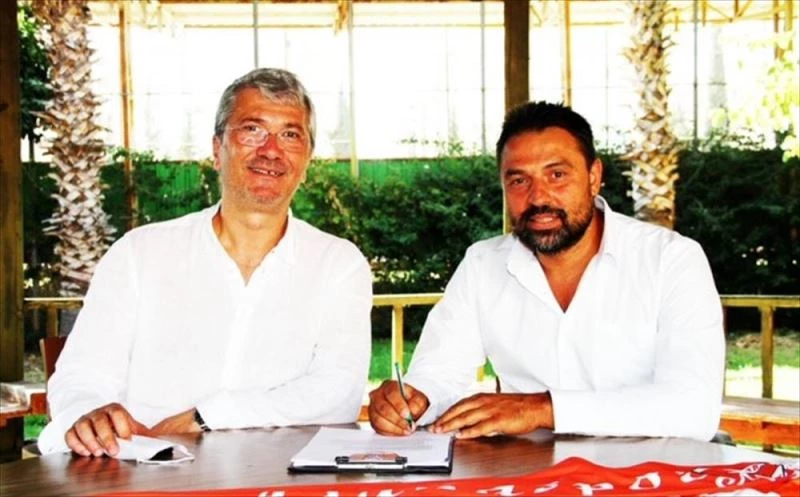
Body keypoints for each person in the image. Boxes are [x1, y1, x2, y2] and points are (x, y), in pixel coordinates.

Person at [38, 68, 373, 457]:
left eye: (290, 135)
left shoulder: (338, 264)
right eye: (252, 130)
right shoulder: (140, 254)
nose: (271, 150)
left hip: (275, 476)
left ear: (307, 160)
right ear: (217, 149)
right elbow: (81, 376)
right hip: (142, 471)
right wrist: (88, 415)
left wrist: (208, 417)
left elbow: (338, 393)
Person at [369, 101, 724, 442]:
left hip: (649, 472)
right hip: (531, 471)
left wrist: (543, 409)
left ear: (594, 177)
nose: (538, 197)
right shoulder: (483, 265)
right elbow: (439, 373)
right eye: (519, 181)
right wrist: (413, 400)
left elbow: (693, 407)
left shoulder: (670, 260)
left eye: (557, 175)